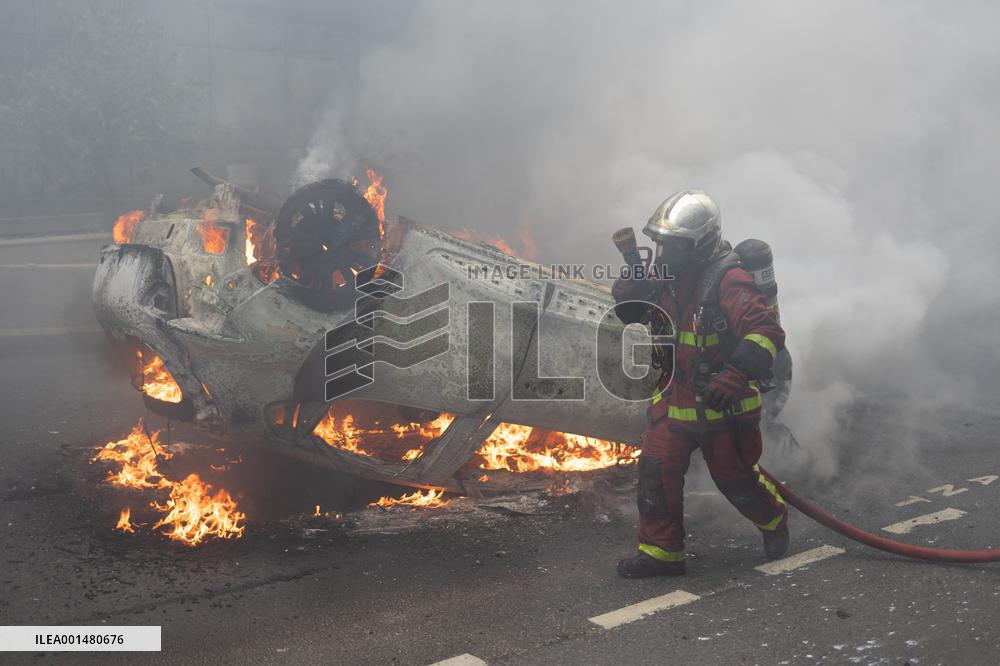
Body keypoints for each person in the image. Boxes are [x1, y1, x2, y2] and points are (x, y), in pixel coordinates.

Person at [612, 190, 789, 578]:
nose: (662, 254)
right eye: (659, 243)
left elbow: (765, 332)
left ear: (699, 245)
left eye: (671, 246)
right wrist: (632, 290)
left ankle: (774, 519)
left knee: (735, 480)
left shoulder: (729, 279)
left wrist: (735, 374)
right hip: (674, 397)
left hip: (722, 402)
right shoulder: (666, 276)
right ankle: (662, 554)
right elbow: (631, 315)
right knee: (655, 473)